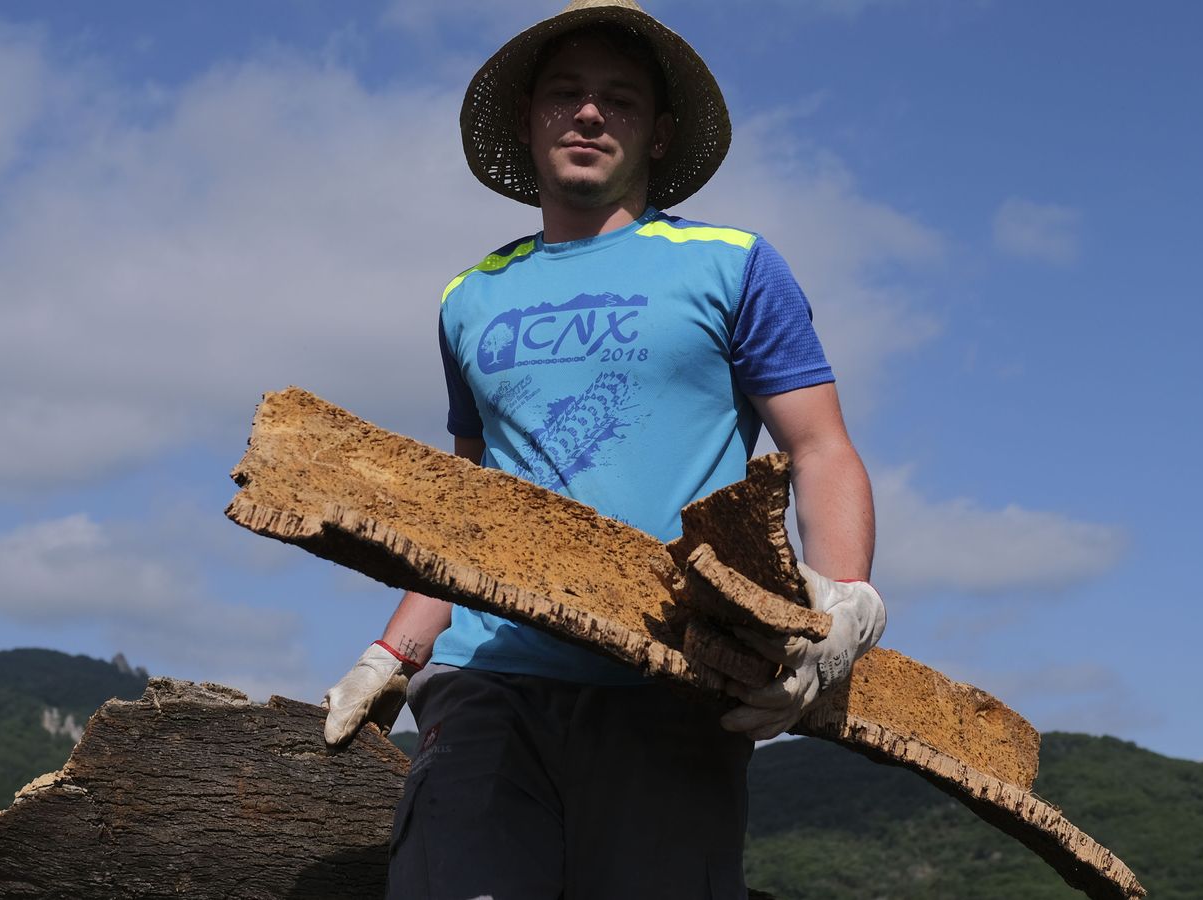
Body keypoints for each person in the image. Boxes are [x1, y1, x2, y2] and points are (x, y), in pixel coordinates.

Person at [321, 1, 887, 896]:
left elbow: (820, 449)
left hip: (669, 674)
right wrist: (392, 654)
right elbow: (470, 498)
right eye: (566, 94)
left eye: (618, 100)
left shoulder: (732, 262)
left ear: (657, 135)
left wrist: (842, 603)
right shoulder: (469, 296)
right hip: (486, 678)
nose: (589, 113)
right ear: (529, 119)